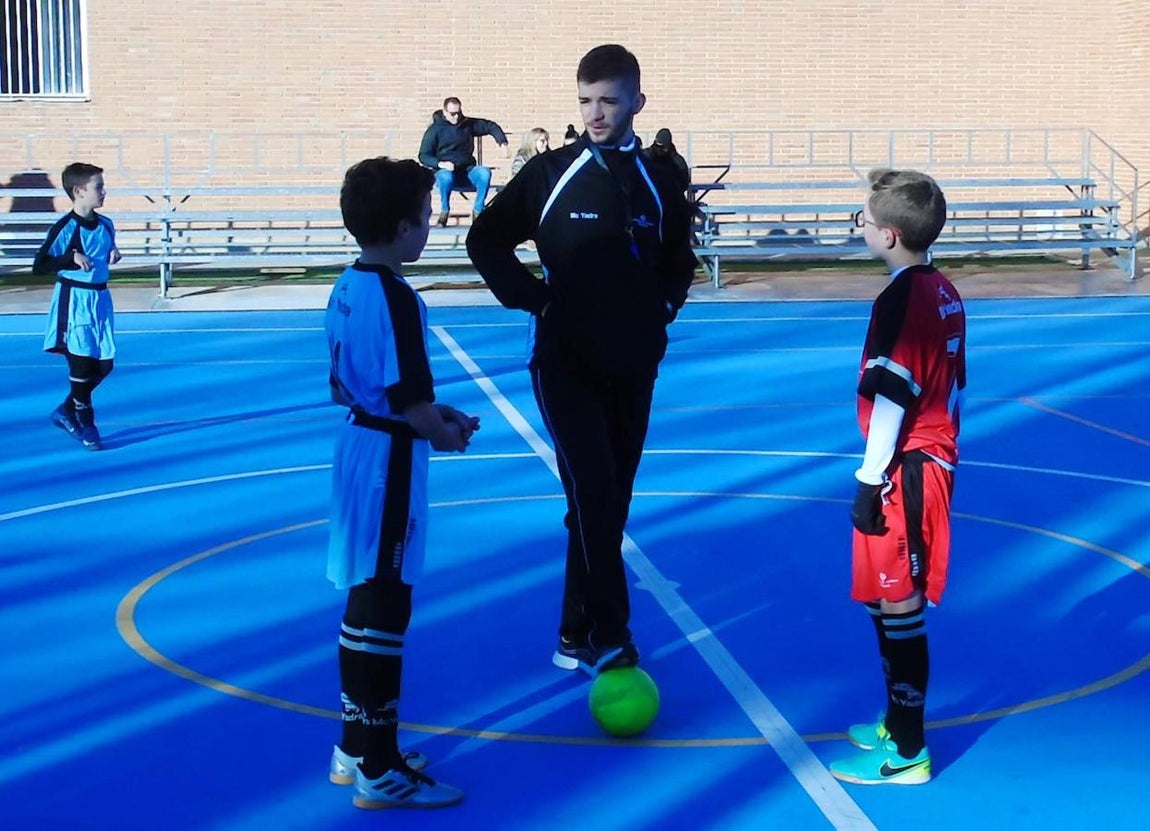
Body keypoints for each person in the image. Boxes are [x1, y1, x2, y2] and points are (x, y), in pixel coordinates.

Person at [466, 44, 697, 677]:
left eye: (609, 101)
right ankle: (611, 637)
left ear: (637, 104)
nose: (596, 114)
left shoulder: (659, 177)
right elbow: (483, 239)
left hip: (636, 364)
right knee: (594, 492)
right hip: (566, 366)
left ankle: (573, 629)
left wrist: (664, 307)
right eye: (586, 101)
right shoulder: (549, 173)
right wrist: (535, 300)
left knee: (606, 504)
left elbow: (679, 256)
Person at [325, 156, 480, 810]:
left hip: (359, 443)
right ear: (397, 227)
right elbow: (411, 401)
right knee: (386, 605)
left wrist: (428, 413)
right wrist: (445, 429)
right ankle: (380, 767)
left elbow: (363, 387)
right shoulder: (397, 296)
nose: (429, 229)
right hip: (388, 463)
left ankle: (354, 744)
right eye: (423, 219)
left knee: (364, 600)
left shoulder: (346, 285)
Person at [829, 169, 966, 787]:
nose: (859, 226)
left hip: (906, 467)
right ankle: (894, 718)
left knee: (899, 597)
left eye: (863, 218)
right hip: (920, 460)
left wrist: (869, 477)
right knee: (887, 597)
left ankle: (908, 751)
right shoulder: (941, 288)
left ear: (886, 235)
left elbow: (893, 395)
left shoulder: (901, 300)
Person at [34, 162, 122, 451]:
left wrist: (113, 251)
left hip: (100, 300)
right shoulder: (65, 228)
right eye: (98, 187)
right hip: (75, 301)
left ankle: (65, 409)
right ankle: (86, 422)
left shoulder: (106, 224)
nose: (104, 191)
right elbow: (40, 265)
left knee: (105, 364)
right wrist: (70, 257)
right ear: (79, 191)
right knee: (82, 364)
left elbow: (105, 247)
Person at [418, 96, 508, 227]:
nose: (456, 117)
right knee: (445, 176)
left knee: (484, 172)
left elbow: (490, 126)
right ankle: (445, 211)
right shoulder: (435, 130)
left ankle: (478, 210)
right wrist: (440, 164)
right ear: (444, 112)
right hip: (447, 173)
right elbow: (423, 155)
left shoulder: (467, 125)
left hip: (468, 171)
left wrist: (502, 143)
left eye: (458, 113)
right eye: (452, 114)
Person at [642, 128, 691, 193]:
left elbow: (684, 183)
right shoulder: (645, 157)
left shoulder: (677, 162)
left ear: (668, 147)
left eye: (662, 147)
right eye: (657, 146)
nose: (659, 149)